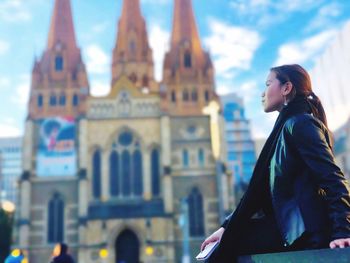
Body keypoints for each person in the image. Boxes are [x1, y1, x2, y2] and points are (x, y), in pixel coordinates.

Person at [200, 64, 350, 262]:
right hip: (286, 227)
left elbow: (333, 179)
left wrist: (342, 231)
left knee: (221, 251)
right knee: (220, 246)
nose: (263, 93)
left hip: (302, 231)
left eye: (268, 84)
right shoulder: (284, 130)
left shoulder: (300, 124)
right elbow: (260, 192)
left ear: (286, 88)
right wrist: (226, 228)